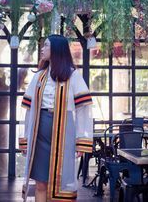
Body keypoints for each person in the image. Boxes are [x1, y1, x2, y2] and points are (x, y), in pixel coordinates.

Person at [19, 34, 93, 202]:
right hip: (39, 133)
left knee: (62, 184)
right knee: (40, 183)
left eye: (46, 45)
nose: (42, 49)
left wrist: (82, 140)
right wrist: (25, 138)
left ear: (57, 50)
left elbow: (84, 109)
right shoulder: (38, 77)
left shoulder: (73, 76)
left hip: (64, 132)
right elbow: (28, 110)